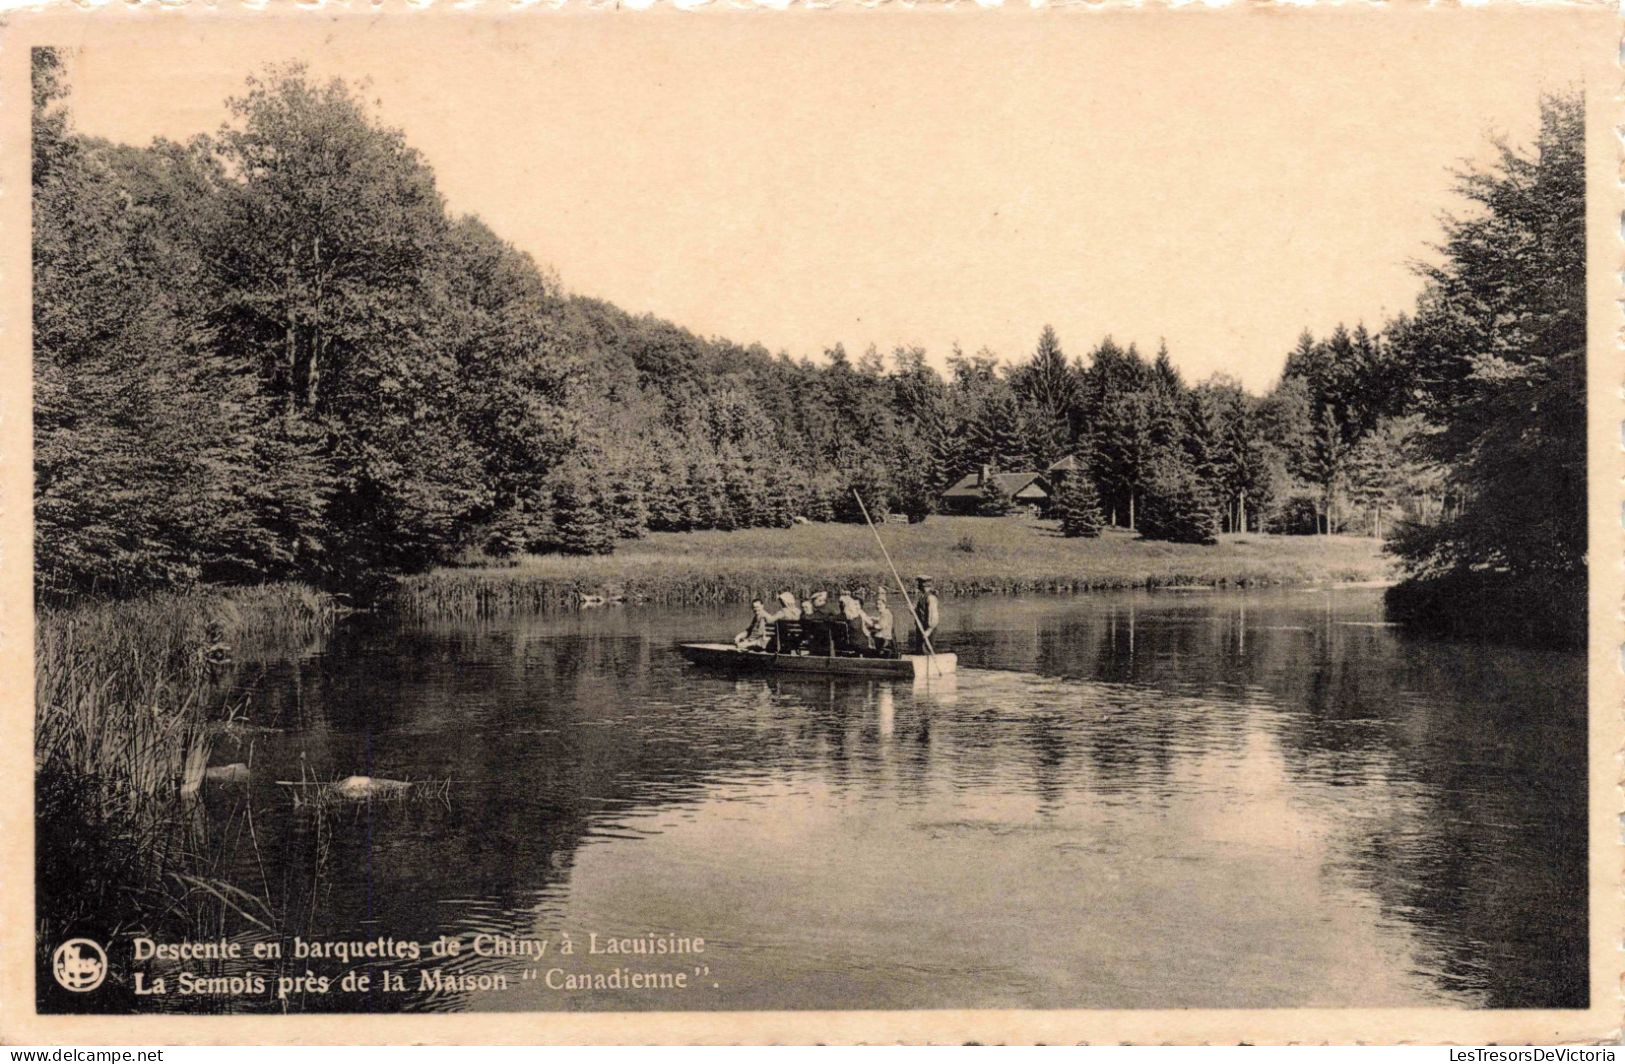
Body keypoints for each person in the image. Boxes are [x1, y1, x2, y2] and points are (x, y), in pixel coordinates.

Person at [911, 575, 940, 652]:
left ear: (924, 585)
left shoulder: (931, 598)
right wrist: (912, 610)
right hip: (920, 628)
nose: (917, 585)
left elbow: (934, 616)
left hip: (927, 630)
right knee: (920, 650)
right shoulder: (922, 597)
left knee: (926, 651)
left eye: (919, 583)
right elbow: (918, 613)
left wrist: (929, 630)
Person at [867, 586, 895, 655]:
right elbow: (881, 619)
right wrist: (874, 618)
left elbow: (880, 626)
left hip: (884, 642)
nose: (878, 606)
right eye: (877, 604)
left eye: (880, 604)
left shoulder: (885, 614)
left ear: (885, 605)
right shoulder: (885, 612)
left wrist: (870, 625)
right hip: (884, 640)